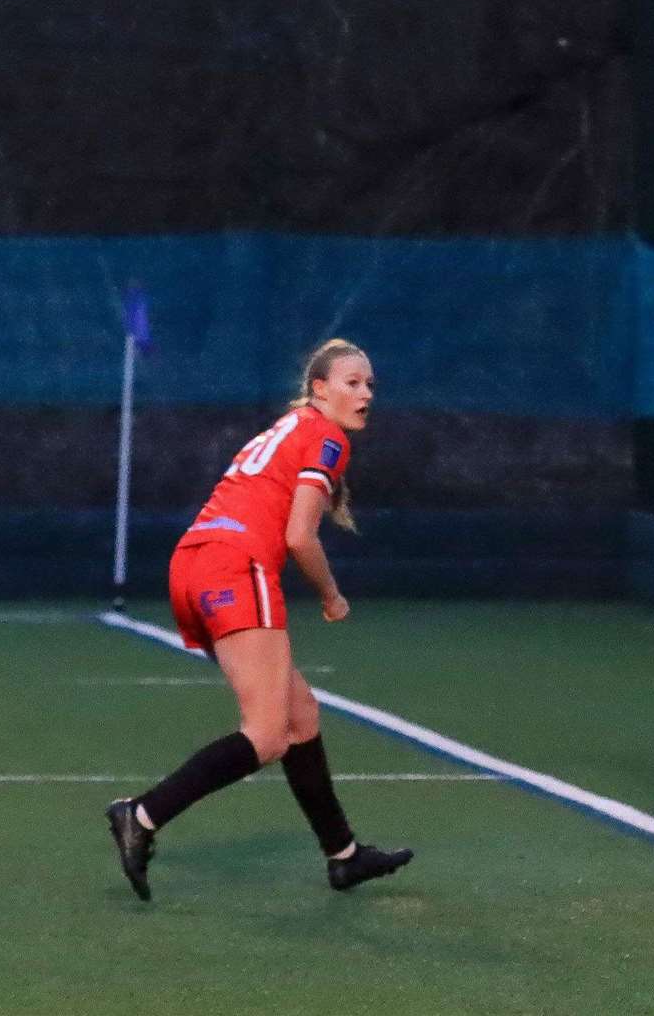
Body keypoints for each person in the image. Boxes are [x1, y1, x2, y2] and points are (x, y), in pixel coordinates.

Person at [105, 339, 412, 900]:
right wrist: (331, 594)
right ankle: (142, 814)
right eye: (352, 383)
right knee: (268, 733)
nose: (365, 394)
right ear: (319, 389)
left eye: (370, 385)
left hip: (195, 563)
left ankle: (343, 855)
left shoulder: (289, 427)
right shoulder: (325, 435)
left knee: (301, 715)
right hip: (233, 568)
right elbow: (299, 537)